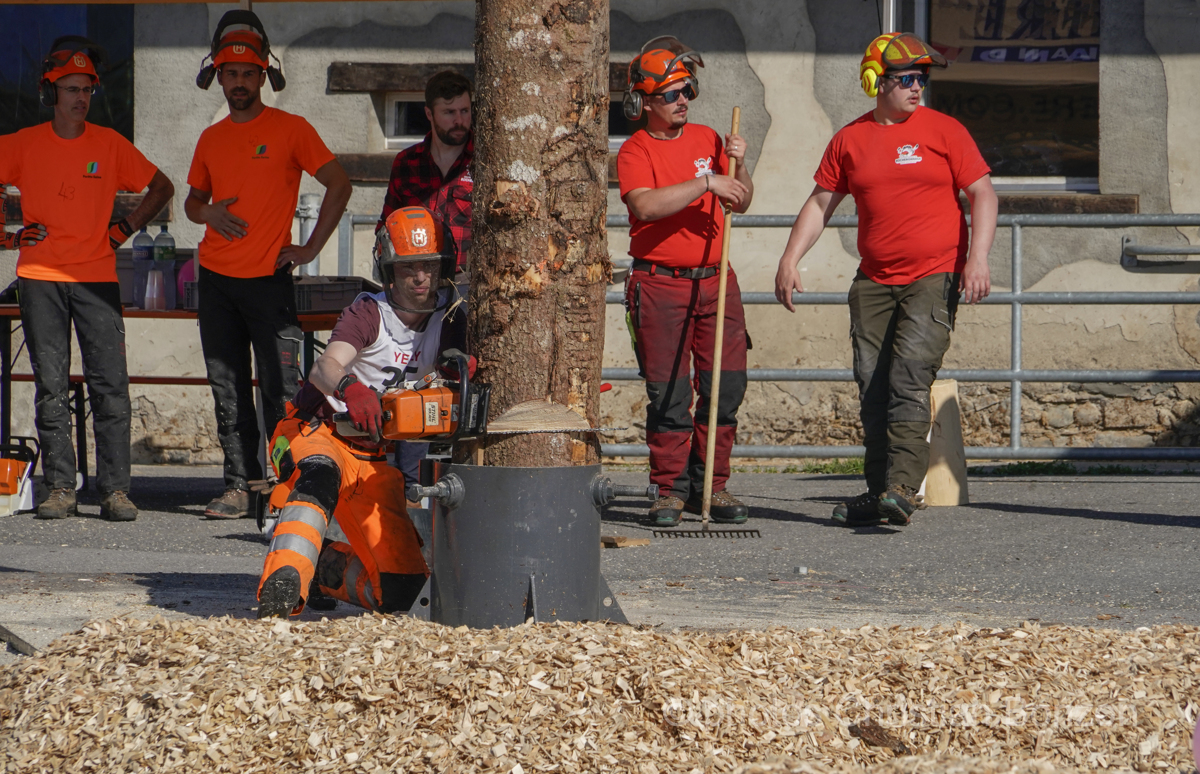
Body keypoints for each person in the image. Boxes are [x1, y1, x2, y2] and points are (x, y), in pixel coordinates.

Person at [773, 32, 997, 527]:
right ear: (876, 81)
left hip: (933, 275)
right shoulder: (850, 140)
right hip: (873, 280)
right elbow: (820, 202)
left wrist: (977, 258)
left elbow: (982, 194)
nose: (918, 87)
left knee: (908, 376)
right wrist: (790, 258)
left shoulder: (945, 131)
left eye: (923, 79)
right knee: (873, 385)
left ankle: (901, 488)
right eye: (907, 79)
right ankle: (880, 492)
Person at [256, 206, 468, 618]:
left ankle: (323, 570)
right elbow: (324, 366)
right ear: (388, 269)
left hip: (373, 458)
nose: (420, 277)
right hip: (315, 431)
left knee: (403, 594)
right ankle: (281, 591)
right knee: (320, 476)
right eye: (408, 268)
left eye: (429, 266)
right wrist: (350, 387)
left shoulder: (450, 313)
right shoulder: (368, 312)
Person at [185, 13, 352, 519]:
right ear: (217, 75)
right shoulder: (210, 139)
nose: (238, 81)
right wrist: (209, 212)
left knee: (281, 391)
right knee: (227, 389)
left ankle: (290, 486)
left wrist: (307, 248)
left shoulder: (291, 129)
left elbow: (339, 185)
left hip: (268, 282)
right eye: (229, 73)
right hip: (215, 281)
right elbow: (192, 204)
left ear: (263, 77)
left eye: (247, 73)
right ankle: (238, 486)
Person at [0, 36, 174, 522]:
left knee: (109, 385)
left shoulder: (110, 144)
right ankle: (60, 488)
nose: (80, 97)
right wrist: (8, 238)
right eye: (70, 88)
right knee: (50, 385)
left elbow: (162, 186)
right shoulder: (24, 143)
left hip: (97, 278)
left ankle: (115, 491)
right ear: (49, 92)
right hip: (39, 277)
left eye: (87, 89)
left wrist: (124, 228)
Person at [616, 37, 755, 528]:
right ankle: (668, 489)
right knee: (669, 393)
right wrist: (705, 183)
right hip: (660, 286)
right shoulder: (634, 150)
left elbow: (742, 199)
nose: (683, 102)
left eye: (688, 91)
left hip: (717, 282)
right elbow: (645, 206)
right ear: (644, 102)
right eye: (673, 93)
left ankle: (711, 486)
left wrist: (739, 165)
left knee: (726, 388)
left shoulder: (710, 139)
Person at [376, 70, 474, 508]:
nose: (459, 119)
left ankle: (464, 486)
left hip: (472, 288)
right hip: (417, 290)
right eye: (450, 112)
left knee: (466, 379)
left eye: (466, 111)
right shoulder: (407, 163)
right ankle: (408, 492)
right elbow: (386, 228)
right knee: (415, 381)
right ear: (429, 114)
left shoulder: (486, 159)